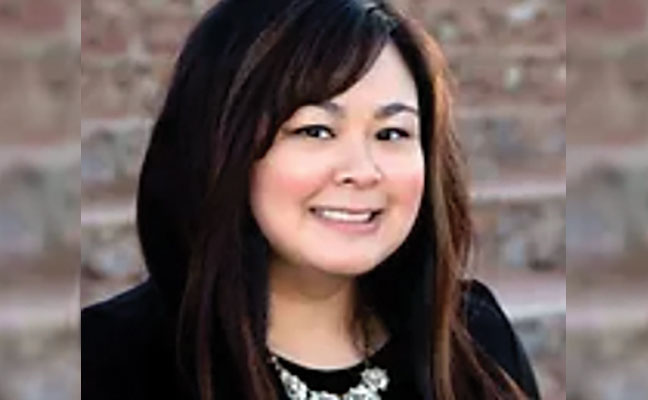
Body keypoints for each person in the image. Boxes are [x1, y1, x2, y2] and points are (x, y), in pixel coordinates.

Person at [82, 0, 540, 399]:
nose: (363, 171)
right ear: (221, 144)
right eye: (316, 131)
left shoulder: (472, 339)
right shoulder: (110, 361)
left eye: (391, 133)